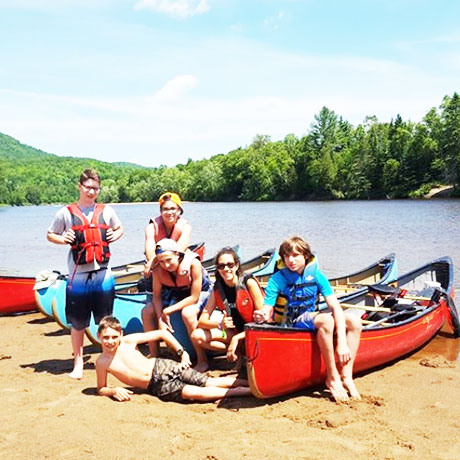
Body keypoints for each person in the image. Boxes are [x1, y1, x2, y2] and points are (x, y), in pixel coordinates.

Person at [253, 236, 362, 402]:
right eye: (287, 256)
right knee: (326, 320)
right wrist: (261, 314)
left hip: (311, 317)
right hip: (294, 321)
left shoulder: (317, 275)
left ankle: (346, 376)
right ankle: (332, 377)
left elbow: (336, 307)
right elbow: (267, 308)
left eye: (296, 255)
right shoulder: (277, 279)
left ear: (305, 256)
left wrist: (341, 343)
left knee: (354, 321)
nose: (291, 260)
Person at [47, 169, 123, 379]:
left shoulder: (106, 210)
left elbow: (119, 229)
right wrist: (64, 239)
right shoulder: (65, 213)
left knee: (106, 319)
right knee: (78, 322)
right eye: (88, 187)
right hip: (78, 275)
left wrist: (113, 235)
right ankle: (78, 363)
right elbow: (50, 234)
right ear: (79, 186)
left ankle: (109, 358)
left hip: (103, 274)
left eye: (95, 188)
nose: (91, 192)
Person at [96, 316, 251, 403]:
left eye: (114, 337)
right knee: (195, 393)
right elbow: (101, 388)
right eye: (106, 337)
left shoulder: (128, 341)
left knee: (208, 381)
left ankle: (251, 383)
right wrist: (113, 390)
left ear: (121, 334)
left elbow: (163, 334)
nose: (110, 341)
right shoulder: (101, 362)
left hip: (162, 366)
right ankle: (244, 391)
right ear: (99, 337)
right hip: (155, 385)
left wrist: (182, 352)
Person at [191, 247, 265, 372]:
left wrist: (236, 339)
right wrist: (219, 324)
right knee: (196, 336)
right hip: (234, 332)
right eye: (221, 266)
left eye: (230, 265)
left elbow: (263, 320)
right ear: (217, 269)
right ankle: (240, 354)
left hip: (255, 332)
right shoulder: (218, 288)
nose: (226, 269)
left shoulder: (249, 283)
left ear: (236, 265)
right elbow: (202, 320)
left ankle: (240, 350)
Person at [141, 238, 212, 357]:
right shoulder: (158, 270)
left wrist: (168, 310)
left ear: (177, 255)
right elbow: (157, 297)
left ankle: (202, 359)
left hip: (201, 292)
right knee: (147, 311)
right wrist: (160, 320)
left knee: (187, 313)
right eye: (162, 261)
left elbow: (194, 297)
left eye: (169, 260)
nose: (166, 265)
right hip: (177, 292)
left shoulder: (193, 264)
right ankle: (154, 354)